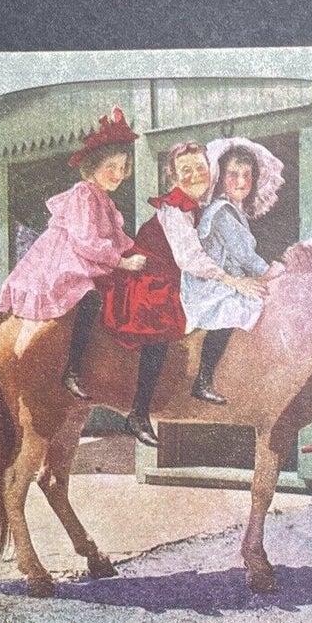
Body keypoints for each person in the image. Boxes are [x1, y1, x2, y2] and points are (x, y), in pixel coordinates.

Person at [0, 107, 144, 399]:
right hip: (65, 256)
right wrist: (122, 261)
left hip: (88, 255)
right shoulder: (83, 193)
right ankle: (72, 370)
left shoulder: (105, 201)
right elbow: (86, 239)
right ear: (92, 168)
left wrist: (139, 251)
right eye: (109, 167)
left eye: (121, 167)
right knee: (88, 298)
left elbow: (117, 237)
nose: (116, 174)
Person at [102, 140, 211, 445]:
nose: (194, 175)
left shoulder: (201, 206)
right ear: (173, 178)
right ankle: (139, 411)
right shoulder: (175, 209)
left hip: (171, 274)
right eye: (184, 170)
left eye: (200, 168)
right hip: (147, 275)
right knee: (161, 324)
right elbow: (188, 258)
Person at [182, 136, 287, 403]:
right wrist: (277, 274)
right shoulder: (221, 212)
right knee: (231, 309)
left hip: (229, 278)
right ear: (220, 178)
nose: (241, 182)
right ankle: (204, 378)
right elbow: (246, 258)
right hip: (208, 283)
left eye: (247, 175)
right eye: (233, 175)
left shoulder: (235, 210)